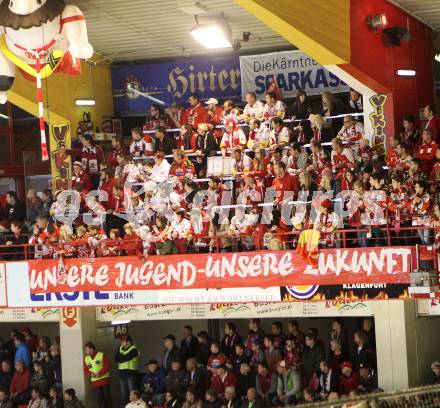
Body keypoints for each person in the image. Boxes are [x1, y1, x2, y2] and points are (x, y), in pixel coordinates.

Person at [83, 342, 112, 408]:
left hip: (104, 380)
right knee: (99, 400)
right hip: (95, 382)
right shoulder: (86, 358)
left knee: (107, 398)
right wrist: (90, 374)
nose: (85, 351)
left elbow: (107, 366)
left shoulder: (101, 355)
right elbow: (85, 370)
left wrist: (100, 373)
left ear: (92, 349)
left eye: (86, 349)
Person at [115, 335, 139, 404]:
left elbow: (127, 357)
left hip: (130, 374)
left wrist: (121, 357)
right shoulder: (120, 348)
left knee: (132, 394)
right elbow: (116, 358)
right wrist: (122, 358)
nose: (121, 342)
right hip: (121, 374)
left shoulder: (134, 349)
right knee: (124, 394)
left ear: (128, 342)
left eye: (123, 341)